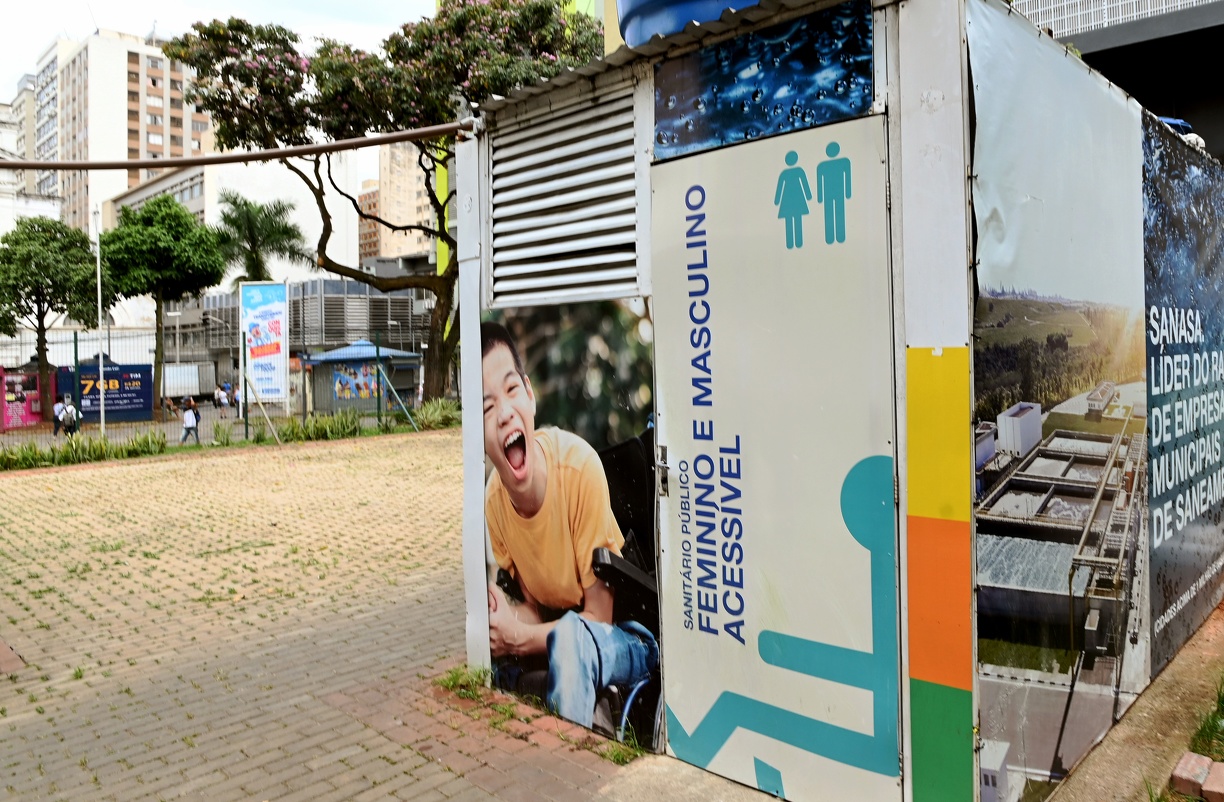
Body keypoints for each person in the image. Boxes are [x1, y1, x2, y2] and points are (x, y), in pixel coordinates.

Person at [481, 321, 657, 728]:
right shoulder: (495, 501)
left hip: (624, 637)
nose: (505, 412)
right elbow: (531, 605)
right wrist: (502, 618)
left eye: (511, 392)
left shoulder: (578, 468)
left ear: (529, 394)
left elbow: (596, 620)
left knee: (572, 641)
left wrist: (520, 638)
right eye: (487, 407)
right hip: (564, 634)